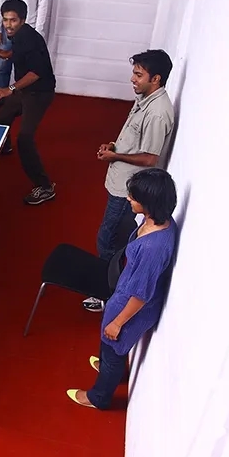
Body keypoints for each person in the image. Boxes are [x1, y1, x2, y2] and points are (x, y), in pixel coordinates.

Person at [66, 168, 178, 410]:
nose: (128, 198)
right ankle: (113, 369)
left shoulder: (153, 248)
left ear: (149, 202)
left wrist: (118, 322)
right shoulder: (159, 221)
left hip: (129, 307)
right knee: (109, 346)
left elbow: (141, 294)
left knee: (113, 345)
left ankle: (99, 397)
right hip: (123, 294)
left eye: (134, 197)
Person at [83, 50, 175, 313]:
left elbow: (149, 158)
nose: (132, 79)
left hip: (128, 189)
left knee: (108, 238)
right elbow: (135, 140)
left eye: (138, 74)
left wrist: (115, 155)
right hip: (119, 182)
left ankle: (105, 293)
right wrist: (114, 146)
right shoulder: (145, 98)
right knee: (113, 236)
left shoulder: (157, 112)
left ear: (155, 78)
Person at [0, 0, 56, 205]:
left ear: (23, 20)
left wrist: (10, 89)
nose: (8, 24)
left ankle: (45, 187)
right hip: (25, 90)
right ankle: (4, 147)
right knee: (2, 119)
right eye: (5, 20)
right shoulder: (18, 35)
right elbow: (20, 53)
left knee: (25, 138)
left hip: (38, 93)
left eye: (13, 20)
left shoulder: (31, 40)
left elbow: (35, 73)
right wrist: (8, 54)